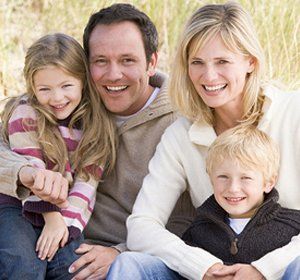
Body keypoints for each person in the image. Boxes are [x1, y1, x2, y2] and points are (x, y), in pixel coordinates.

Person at [0, 3, 195, 280]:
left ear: (152, 62)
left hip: (122, 255)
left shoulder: (181, 122)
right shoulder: (66, 102)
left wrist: (120, 252)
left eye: (127, 60)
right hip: (44, 226)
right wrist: (24, 173)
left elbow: (187, 221)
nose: (113, 75)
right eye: (101, 61)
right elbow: (9, 144)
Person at [108, 2, 300, 280]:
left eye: (222, 61)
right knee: (129, 266)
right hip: (216, 270)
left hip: (285, 269)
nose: (209, 76)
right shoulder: (181, 135)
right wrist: (201, 266)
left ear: (250, 62)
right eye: (197, 62)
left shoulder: (293, 114)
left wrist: (263, 270)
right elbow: (142, 225)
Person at [0, 33, 116, 279]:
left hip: (65, 210)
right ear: (32, 87)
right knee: (25, 266)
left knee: (72, 268)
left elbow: (87, 183)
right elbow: (33, 170)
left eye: (66, 86)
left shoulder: (95, 124)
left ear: (82, 81)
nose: (57, 98)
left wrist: (66, 225)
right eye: (45, 89)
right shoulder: (25, 113)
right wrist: (51, 218)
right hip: (16, 204)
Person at [182, 125, 300, 265]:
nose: (233, 188)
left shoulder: (293, 225)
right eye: (223, 177)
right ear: (211, 180)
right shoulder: (198, 231)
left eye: (245, 178)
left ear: (269, 182)